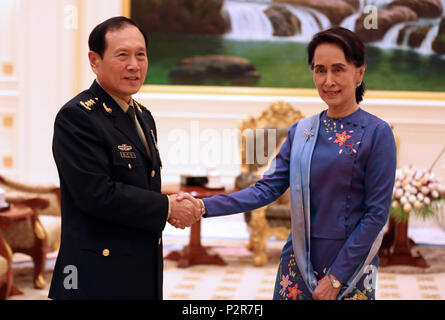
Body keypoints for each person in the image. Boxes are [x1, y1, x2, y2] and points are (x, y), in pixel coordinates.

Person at [173, 27, 397, 300]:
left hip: (350, 266)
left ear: (359, 73)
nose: (328, 80)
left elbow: (376, 214)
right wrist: (203, 206)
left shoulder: (377, 133)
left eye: (338, 69)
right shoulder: (302, 131)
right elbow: (265, 189)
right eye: (319, 70)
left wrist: (336, 278)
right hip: (297, 262)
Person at [49, 16, 201, 300]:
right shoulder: (78, 117)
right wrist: (165, 207)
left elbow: (140, 186)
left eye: (141, 55)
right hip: (94, 275)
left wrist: (169, 204)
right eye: (122, 55)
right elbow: (97, 194)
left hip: (141, 268)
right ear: (94, 61)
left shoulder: (143, 116)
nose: (134, 65)